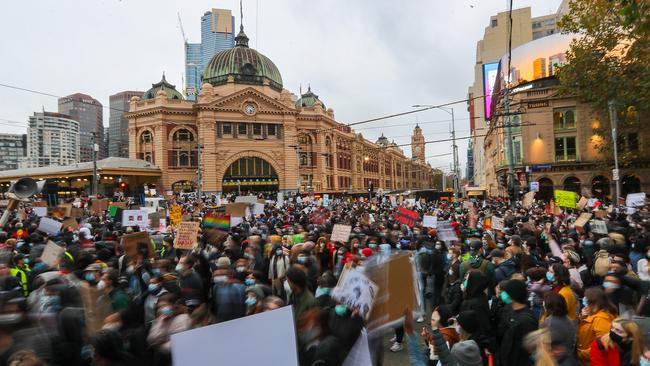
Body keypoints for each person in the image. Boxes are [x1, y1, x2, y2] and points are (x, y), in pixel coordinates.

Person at [496, 279, 538, 366]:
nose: (502, 294)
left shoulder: (526, 320)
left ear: (512, 295)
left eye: (505, 292)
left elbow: (530, 349)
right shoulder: (509, 310)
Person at [577, 287, 618, 366]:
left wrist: (581, 354)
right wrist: (583, 316)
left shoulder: (601, 319)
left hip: (591, 361)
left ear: (594, 302)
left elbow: (603, 344)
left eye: (587, 300)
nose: (584, 301)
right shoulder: (594, 313)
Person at [540, 292, 577, 364]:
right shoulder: (568, 319)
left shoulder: (548, 323)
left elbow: (544, 346)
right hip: (567, 357)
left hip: (555, 360)